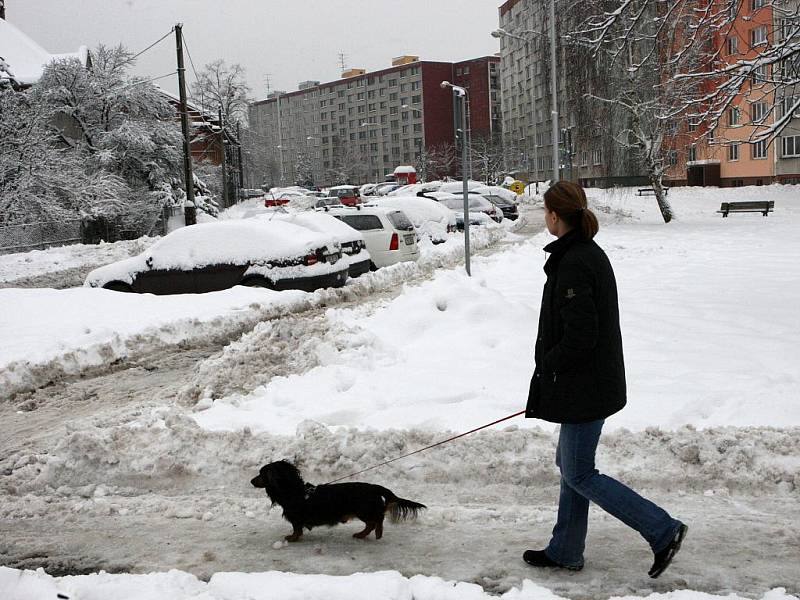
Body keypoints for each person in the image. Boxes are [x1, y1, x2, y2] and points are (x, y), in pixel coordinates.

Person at [524, 181, 687, 578]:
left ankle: (662, 529)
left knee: (578, 471)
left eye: (544, 211)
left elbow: (582, 335)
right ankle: (565, 549)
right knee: (570, 465)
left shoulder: (577, 260)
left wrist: (550, 365)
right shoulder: (579, 254)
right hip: (587, 383)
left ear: (555, 216)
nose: (543, 218)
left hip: (585, 386)